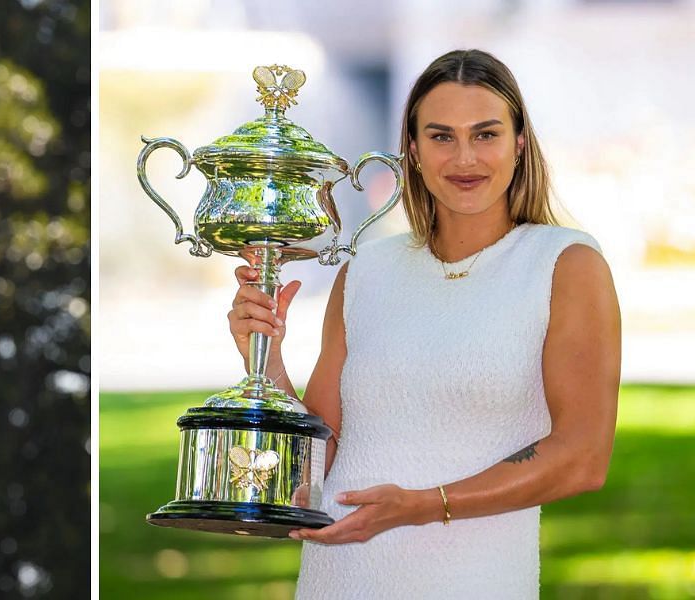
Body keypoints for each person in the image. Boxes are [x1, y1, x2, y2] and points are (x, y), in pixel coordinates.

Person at [227, 49, 620, 598]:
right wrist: (263, 358)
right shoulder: (366, 270)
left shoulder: (565, 264)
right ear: (412, 149)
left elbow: (583, 458)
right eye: (441, 136)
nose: (465, 158)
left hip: (474, 580)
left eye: (486, 134)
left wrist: (422, 506)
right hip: (340, 578)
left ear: (520, 143)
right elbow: (315, 461)